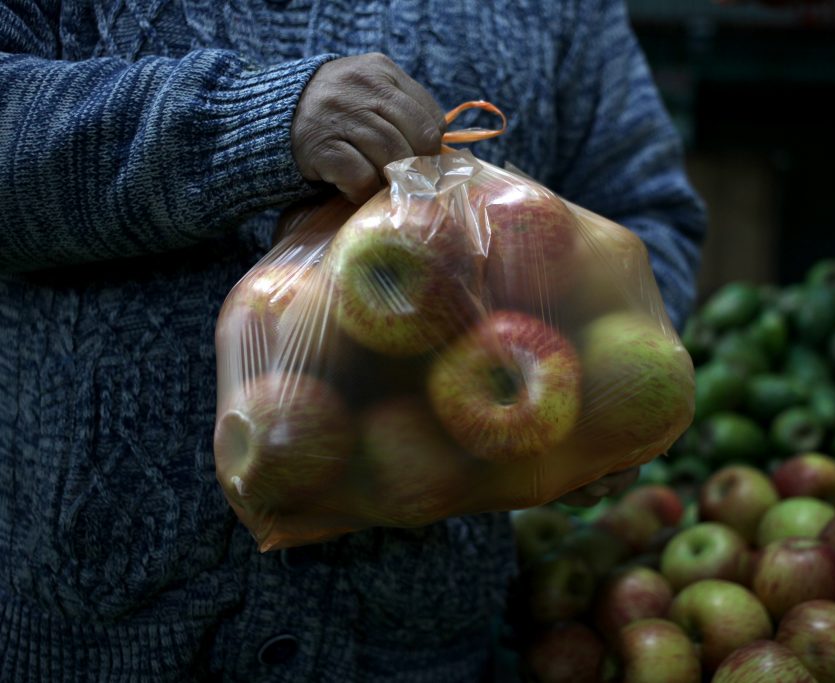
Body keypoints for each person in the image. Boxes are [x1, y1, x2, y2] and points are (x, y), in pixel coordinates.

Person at [0, 1, 705, 681]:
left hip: (416, 645)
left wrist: (602, 386)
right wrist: (244, 120)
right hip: (90, 636)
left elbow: (641, 207)